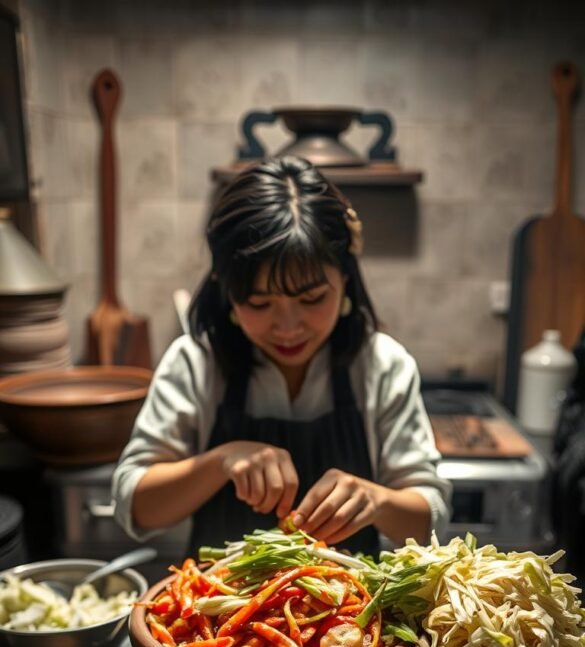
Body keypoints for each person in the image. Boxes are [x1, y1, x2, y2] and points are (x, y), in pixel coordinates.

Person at [112, 156, 451, 556]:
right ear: (226, 291)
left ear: (345, 278)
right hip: (213, 614)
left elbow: (430, 519)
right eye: (258, 303)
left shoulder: (381, 366)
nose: (288, 326)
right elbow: (135, 506)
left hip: (353, 616)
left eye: (311, 299)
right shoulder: (196, 363)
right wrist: (221, 460)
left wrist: (376, 500)